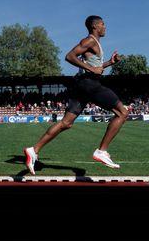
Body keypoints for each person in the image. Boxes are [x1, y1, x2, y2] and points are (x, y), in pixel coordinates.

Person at [24, 15, 129, 175]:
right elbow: (69, 56)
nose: (105, 27)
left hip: (82, 85)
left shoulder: (95, 44)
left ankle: (34, 150)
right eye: (102, 24)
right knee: (122, 112)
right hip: (89, 84)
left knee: (66, 123)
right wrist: (91, 69)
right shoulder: (90, 40)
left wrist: (109, 63)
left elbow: (96, 66)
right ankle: (102, 151)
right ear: (95, 27)